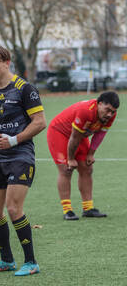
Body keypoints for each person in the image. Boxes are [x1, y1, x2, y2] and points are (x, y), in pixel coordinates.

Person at [0, 46, 46, 277]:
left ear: (7, 62)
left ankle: (31, 261)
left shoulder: (25, 89)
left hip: (21, 156)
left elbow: (40, 122)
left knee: (13, 208)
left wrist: (14, 140)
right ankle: (6, 260)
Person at [47, 91, 120, 220]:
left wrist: (91, 154)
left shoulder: (110, 116)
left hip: (78, 135)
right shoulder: (86, 111)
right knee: (66, 169)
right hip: (60, 132)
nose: (109, 114)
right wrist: (70, 159)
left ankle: (88, 208)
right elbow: (74, 137)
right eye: (107, 110)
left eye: (113, 111)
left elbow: (100, 134)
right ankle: (67, 210)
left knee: (87, 168)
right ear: (99, 103)